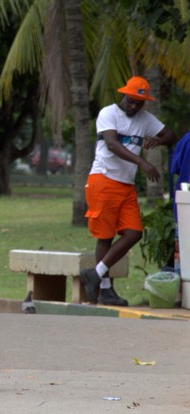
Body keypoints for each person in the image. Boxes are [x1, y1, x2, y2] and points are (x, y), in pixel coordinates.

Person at [81, 76, 176, 306]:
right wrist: (143, 163)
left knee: (134, 232)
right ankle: (105, 290)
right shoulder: (108, 113)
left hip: (126, 184)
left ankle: (96, 273)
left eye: (139, 103)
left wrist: (157, 140)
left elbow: (170, 134)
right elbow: (112, 144)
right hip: (103, 179)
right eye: (132, 101)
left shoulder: (145, 119)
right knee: (105, 235)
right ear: (124, 95)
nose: (134, 106)